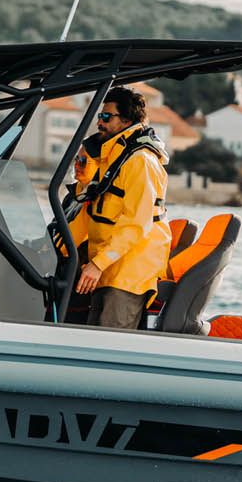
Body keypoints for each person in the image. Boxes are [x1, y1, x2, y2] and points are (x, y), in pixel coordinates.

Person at [71, 86, 172, 329]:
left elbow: (137, 223)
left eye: (107, 116)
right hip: (108, 266)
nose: (100, 122)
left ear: (126, 120)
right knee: (92, 335)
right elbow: (93, 209)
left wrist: (98, 264)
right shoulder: (113, 158)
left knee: (109, 339)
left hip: (129, 272)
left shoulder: (140, 161)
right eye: (100, 116)